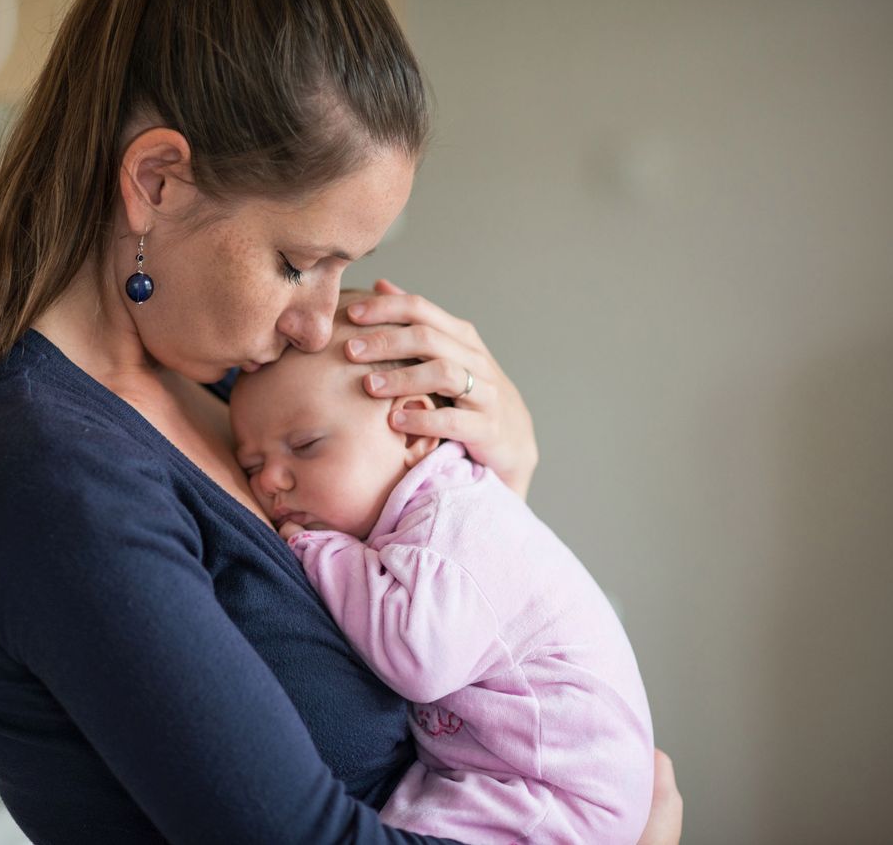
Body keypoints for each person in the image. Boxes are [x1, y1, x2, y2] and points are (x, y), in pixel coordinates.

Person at [0, 0, 683, 842]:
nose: (317, 320)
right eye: (299, 262)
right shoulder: (52, 477)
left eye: (347, 267)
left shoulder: (236, 396)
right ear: (156, 182)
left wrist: (497, 478)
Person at [229, 293, 655, 844]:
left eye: (306, 446)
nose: (270, 482)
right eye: (252, 465)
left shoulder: (451, 521)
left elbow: (418, 656)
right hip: (494, 774)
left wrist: (319, 548)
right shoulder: (423, 510)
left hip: (552, 793)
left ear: (413, 431)